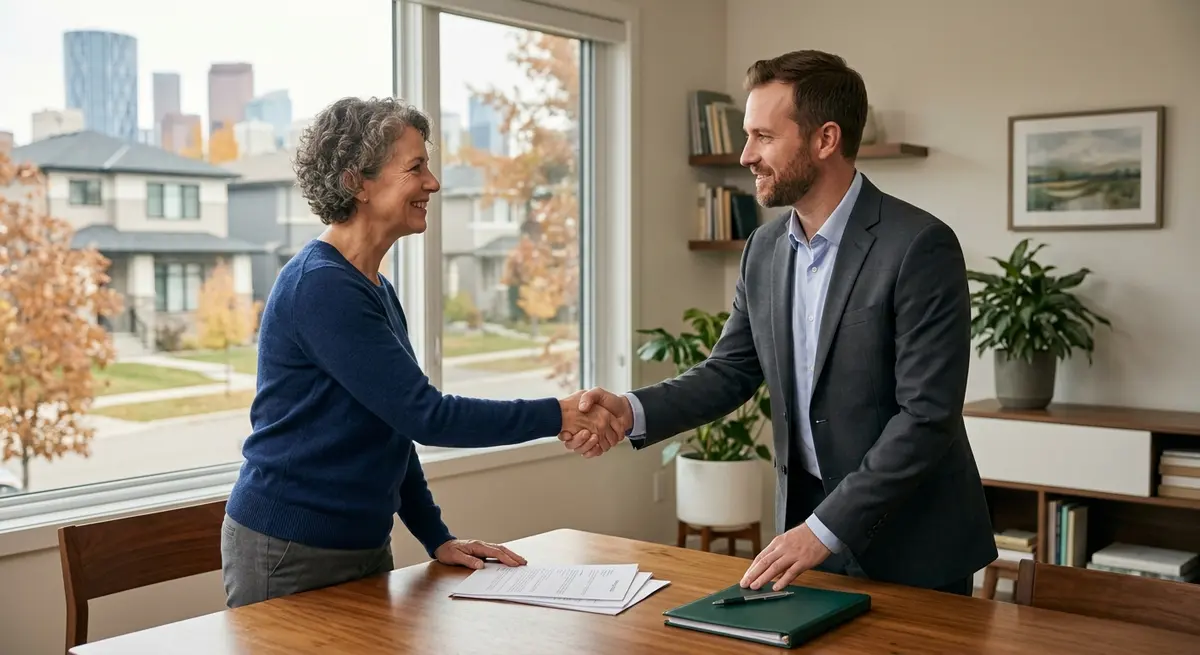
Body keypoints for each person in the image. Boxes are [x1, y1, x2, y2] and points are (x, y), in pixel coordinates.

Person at [564, 50, 996, 595]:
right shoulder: (764, 248)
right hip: (807, 533)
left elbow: (926, 415)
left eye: (763, 137)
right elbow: (730, 372)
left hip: (914, 543)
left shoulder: (919, 246)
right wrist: (630, 411)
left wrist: (823, 530)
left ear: (825, 139)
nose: (746, 155)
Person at [221, 96, 625, 608]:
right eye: (416, 168)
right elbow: (426, 416)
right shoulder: (321, 288)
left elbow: (391, 427)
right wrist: (559, 413)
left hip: (358, 544)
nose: (432, 183)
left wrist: (437, 537)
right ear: (356, 183)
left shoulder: (373, 288)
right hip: (290, 550)